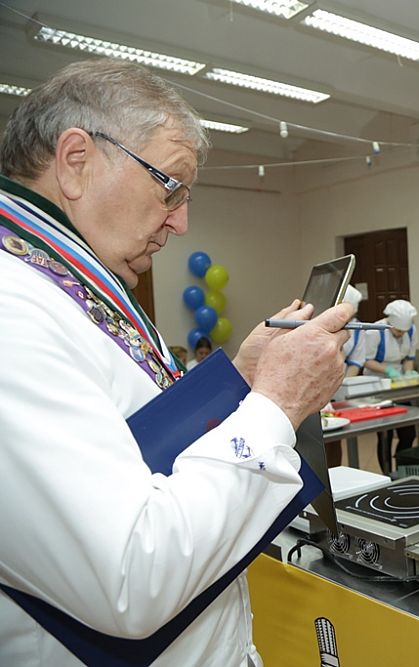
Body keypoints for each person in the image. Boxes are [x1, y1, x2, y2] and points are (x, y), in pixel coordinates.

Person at [0, 60, 353, 666]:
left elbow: (141, 442)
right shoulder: (13, 310)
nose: (180, 222)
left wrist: (241, 378)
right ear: (76, 160)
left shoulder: (69, 283)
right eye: (170, 187)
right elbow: (131, 579)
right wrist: (276, 403)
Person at [363, 298, 419, 474]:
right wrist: (388, 370)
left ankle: (402, 471)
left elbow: (409, 358)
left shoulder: (411, 331)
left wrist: (408, 374)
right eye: (398, 331)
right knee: (385, 434)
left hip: (398, 384)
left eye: (404, 331)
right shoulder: (375, 331)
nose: (401, 334)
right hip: (377, 383)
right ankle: (387, 474)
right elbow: (366, 360)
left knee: (408, 433)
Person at [325, 285, 366, 467]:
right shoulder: (315, 325)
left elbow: (356, 361)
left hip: (339, 384)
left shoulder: (356, 328)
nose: (349, 320)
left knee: (335, 441)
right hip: (317, 389)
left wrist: (342, 387)